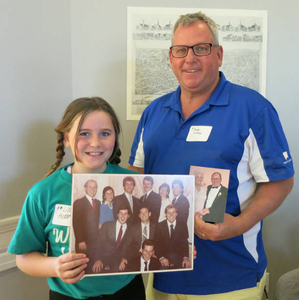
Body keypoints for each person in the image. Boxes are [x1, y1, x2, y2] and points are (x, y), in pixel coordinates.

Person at [129, 11, 294, 300]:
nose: (189, 58)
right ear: (171, 58)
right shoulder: (153, 112)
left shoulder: (253, 109)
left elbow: (281, 181)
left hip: (230, 278)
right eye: (181, 50)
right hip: (161, 273)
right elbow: (137, 177)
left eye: (201, 48)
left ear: (218, 54)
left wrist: (238, 225)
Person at [8, 97, 145, 299]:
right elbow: (24, 257)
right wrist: (55, 266)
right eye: (84, 134)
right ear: (67, 139)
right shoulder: (43, 192)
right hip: (68, 295)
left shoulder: (135, 184)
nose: (95, 142)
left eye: (105, 133)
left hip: (127, 292)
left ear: (114, 137)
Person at [73, 179, 101, 272]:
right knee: (84, 269)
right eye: (90, 187)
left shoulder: (98, 202)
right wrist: (80, 240)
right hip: (83, 243)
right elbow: (76, 222)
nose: (93, 189)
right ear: (85, 188)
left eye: (95, 187)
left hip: (95, 242)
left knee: (94, 268)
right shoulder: (78, 202)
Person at [92, 206, 131, 273]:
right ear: (117, 215)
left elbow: (128, 247)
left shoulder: (130, 229)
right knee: (96, 271)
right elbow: (99, 243)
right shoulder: (107, 225)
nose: (123, 216)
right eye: (121, 213)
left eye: (125, 213)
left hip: (118, 259)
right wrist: (97, 259)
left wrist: (123, 258)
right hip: (103, 256)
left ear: (128, 216)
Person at [154, 204, 191, 270]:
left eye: (173, 212)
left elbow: (184, 242)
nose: (171, 215)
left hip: (178, 256)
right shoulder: (159, 226)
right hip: (164, 256)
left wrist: (186, 257)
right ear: (165, 214)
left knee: (186, 268)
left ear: (176, 214)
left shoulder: (182, 225)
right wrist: (161, 258)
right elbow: (156, 244)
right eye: (169, 212)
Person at [119, 205, 156, 271]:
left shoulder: (155, 228)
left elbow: (159, 244)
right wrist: (123, 258)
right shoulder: (133, 228)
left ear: (149, 214)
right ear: (139, 215)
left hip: (150, 254)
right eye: (141, 213)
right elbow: (126, 245)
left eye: (145, 212)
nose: (143, 214)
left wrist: (155, 254)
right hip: (135, 255)